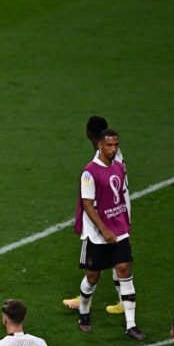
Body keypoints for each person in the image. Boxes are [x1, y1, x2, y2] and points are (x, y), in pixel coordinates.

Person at [68, 128, 145, 339]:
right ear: (100, 145)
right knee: (93, 277)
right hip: (96, 233)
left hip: (119, 229)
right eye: (109, 145)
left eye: (116, 145)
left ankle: (131, 324)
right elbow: (87, 204)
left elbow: (120, 197)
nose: (113, 149)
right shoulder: (89, 172)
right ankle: (84, 311)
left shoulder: (119, 167)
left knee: (124, 269)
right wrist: (104, 229)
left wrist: (124, 225)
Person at [63, 115, 126, 315]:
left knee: (94, 266)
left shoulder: (101, 161)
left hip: (105, 217)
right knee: (118, 261)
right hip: (118, 213)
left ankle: (85, 303)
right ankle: (123, 302)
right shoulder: (114, 154)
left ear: (89, 134)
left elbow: (92, 198)